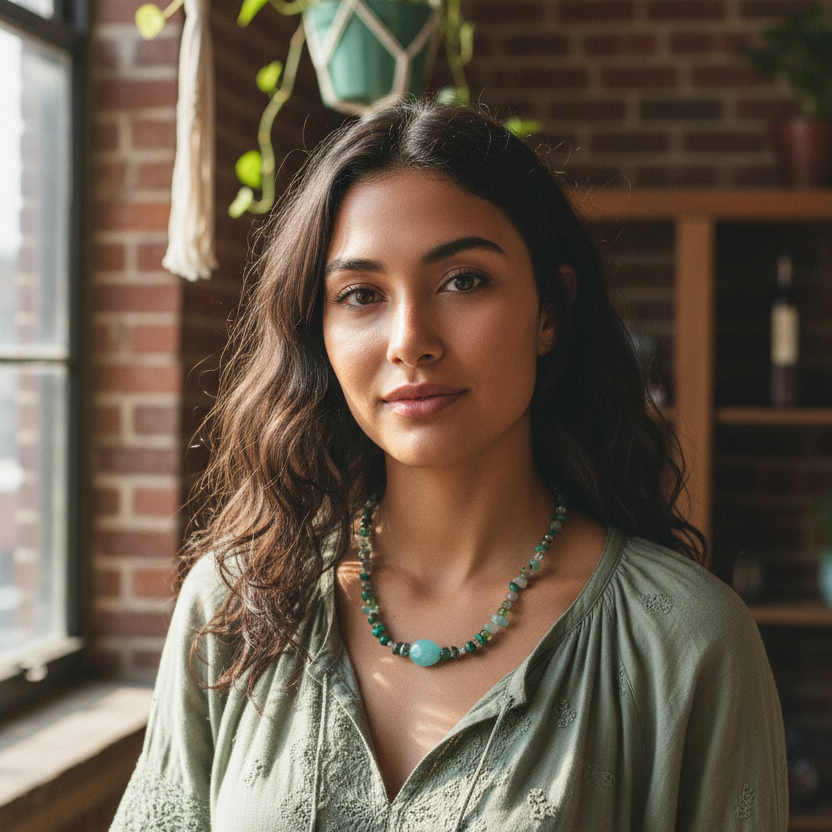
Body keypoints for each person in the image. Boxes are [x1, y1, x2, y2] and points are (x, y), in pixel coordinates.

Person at [110, 100, 788, 831]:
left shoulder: (688, 642)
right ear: (321, 330)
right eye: (361, 295)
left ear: (550, 311)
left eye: (463, 280)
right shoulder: (239, 601)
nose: (410, 340)